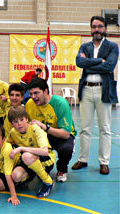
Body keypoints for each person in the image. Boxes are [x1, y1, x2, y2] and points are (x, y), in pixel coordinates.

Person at [72, 16, 119, 175]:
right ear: (90, 29)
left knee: (104, 128)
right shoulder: (84, 46)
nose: (96, 29)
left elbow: (109, 66)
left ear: (105, 29)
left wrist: (90, 63)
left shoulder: (113, 46)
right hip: (86, 89)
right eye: (94, 26)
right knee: (84, 128)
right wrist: (99, 60)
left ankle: (104, 162)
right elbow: (79, 63)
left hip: (103, 90)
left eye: (100, 26)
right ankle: (83, 159)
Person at [26, 78, 76, 182]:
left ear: (46, 91)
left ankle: (62, 169)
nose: (33, 97)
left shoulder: (60, 103)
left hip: (60, 135)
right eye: (31, 94)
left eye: (36, 93)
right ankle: (43, 167)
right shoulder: (29, 104)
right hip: (42, 136)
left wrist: (46, 127)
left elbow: (66, 134)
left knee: (66, 148)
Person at [7, 106, 56, 198]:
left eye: (22, 120)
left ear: (27, 119)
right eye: (15, 122)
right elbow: (6, 145)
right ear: (11, 123)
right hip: (29, 161)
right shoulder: (13, 132)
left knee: (26, 156)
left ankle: (48, 181)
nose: (19, 124)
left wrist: (22, 148)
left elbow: (45, 151)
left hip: (45, 160)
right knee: (15, 176)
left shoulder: (35, 129)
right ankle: (31, 176)